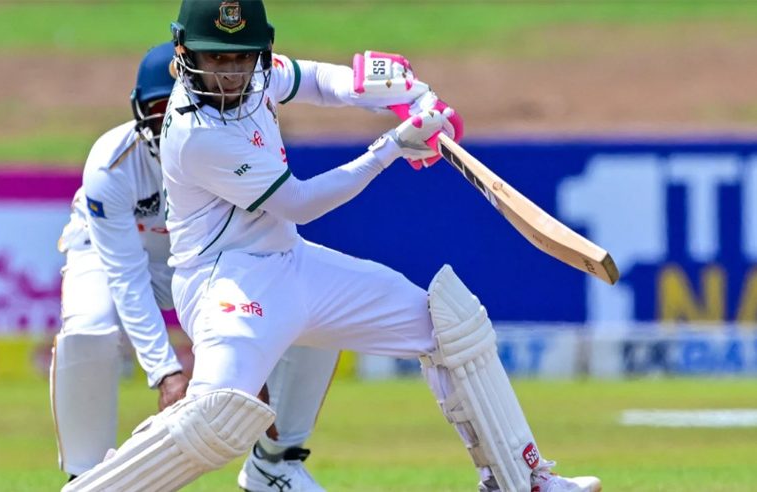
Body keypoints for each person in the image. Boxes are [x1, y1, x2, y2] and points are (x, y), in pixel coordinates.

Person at [66, 2, 603, 491]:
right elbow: (299, 203)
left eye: (241, 58)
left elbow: (323, 81)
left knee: (451, 327)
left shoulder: (258, 76)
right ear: (185, 54)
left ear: (261, 52)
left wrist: (408, 94)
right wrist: (392, 147)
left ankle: (523, 479)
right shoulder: (197, 132)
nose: (230, 74)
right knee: (215, 420)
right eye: (216, 59)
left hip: (291, 263)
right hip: (227, 284)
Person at [52, 41, 339, 491]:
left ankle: (275, 465)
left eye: (178, 105)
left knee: (315, 310)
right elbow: (126, 277)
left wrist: (251, 361)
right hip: (112, 256)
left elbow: (265, 254)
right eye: (158, 108)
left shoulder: (234, 149)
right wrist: (166, 374)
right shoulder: (111, 166)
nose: (168, 120)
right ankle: (86, 478)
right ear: (137, 109)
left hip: (201, 261)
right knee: (88, 328)